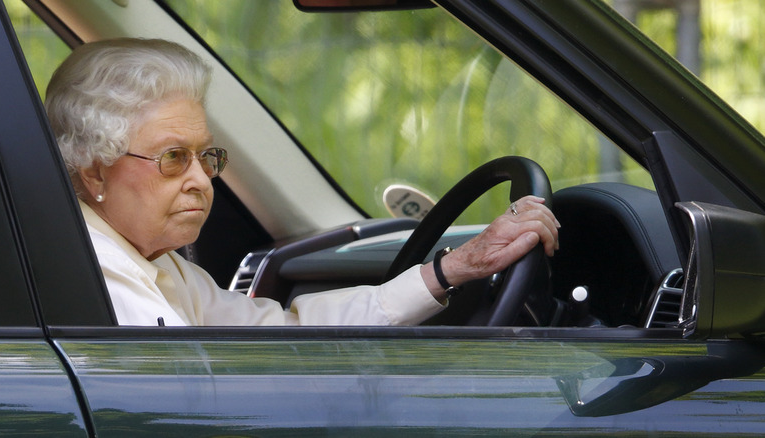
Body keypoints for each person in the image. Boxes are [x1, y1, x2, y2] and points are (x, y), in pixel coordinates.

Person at [45, 38, 560, 326]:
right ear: (95, 172)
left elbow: (284, 335)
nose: (203, 180)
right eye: (174, 158)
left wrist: (454, 268)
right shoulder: (94, 275)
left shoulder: (161, 267)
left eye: (207, 156)